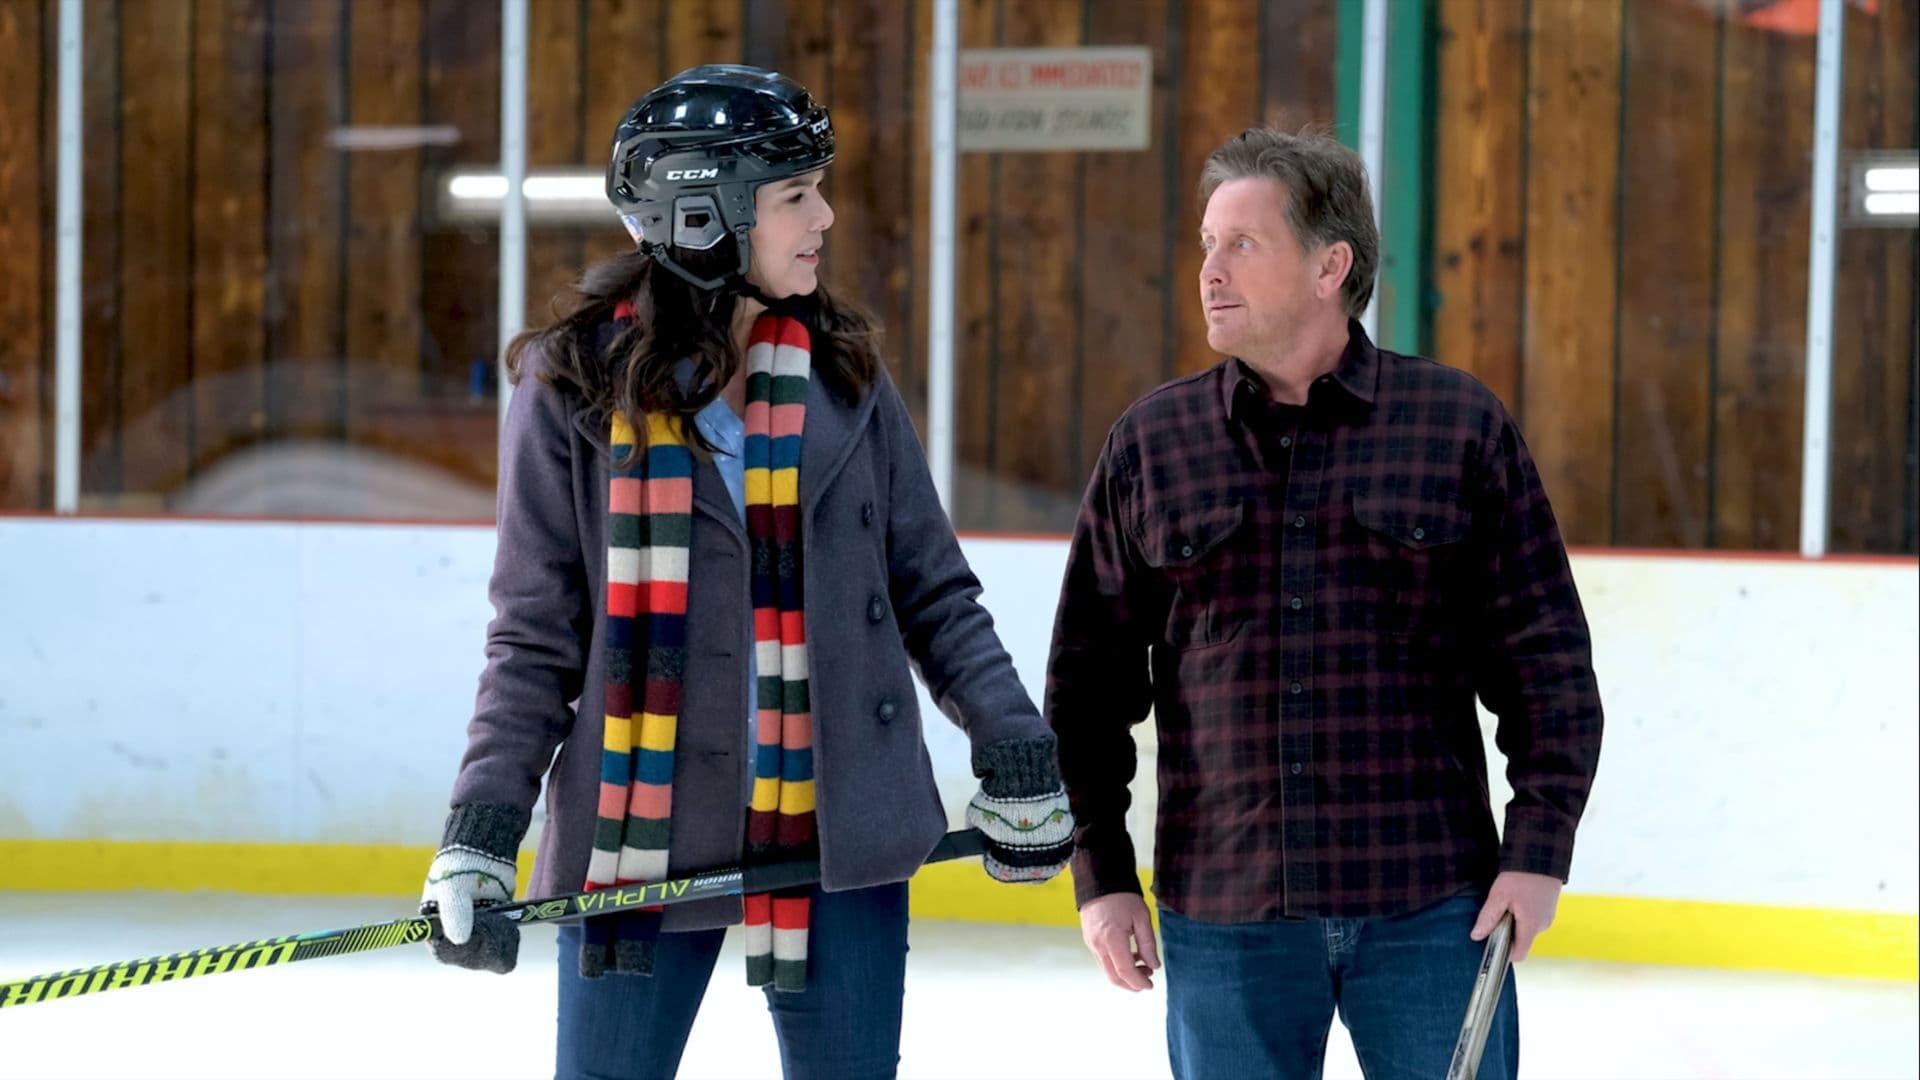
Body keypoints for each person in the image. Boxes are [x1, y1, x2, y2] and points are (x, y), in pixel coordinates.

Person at [418, 65, 1073, 1080]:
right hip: (644, 833)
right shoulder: (572, 385)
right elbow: (536, 635)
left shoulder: (843, 369)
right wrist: (482, 828)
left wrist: (1016, 746)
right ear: (703, 217)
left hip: (837, 818)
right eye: (794, 195)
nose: (825, 217)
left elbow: (934, 593)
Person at [1046, 126, 1604, 1080]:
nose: (1209, 271)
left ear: (1329, 265)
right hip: (1225, 915)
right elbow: (1085, 689)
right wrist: (1100, 875)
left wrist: (1539, 850)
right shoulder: (1153, 444)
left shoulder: (1457, 427)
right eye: (1207, 244)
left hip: (1434, 908)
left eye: (1242, 243)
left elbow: (1547, 665)